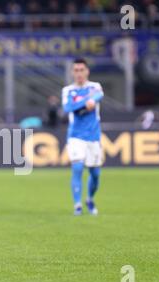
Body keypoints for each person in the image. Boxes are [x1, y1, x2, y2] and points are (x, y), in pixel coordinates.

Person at [62, 58, 104, 216]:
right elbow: (68, 108)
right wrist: (87, 100)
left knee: (95, 174)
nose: (79, 73)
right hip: (75, 136)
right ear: (72, 72)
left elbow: (99, 95)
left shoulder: (95, 86)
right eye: (76, 70)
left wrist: (85, 101)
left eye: (82, 70)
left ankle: (90, 199)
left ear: (87, 71)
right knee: (77, 167)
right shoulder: (68, 90)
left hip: (93, 135)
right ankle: (77, 204)